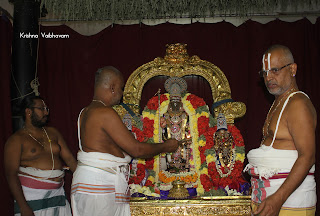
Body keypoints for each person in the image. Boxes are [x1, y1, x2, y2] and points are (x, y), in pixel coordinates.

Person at [71, 66, 179, 216]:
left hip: (93, 183)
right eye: (121, 88)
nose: (122, 94)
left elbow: (110, 147)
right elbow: (137, 150)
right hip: (99, 187)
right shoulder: (105, 113)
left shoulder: (85, 112)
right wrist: (166, 146)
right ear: (113, 87)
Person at [245, 45, 317, 216]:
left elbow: (307, 157)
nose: (268, 77)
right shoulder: (279, 103)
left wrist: (277, 199)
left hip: (289, 204)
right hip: (272, 202)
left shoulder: (297, 104)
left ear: (292, 69)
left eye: (275, 70)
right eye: (264, 72)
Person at [4, 95, 77, 216]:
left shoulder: (53, 133)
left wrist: (84, 179)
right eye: (41, 108)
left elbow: (70, 159)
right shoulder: (16, 140)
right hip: (31, 199)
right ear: (28, 112)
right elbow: (11, 174)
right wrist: (23, 207)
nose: (46, 112)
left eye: (47, 109)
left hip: (57, 197)